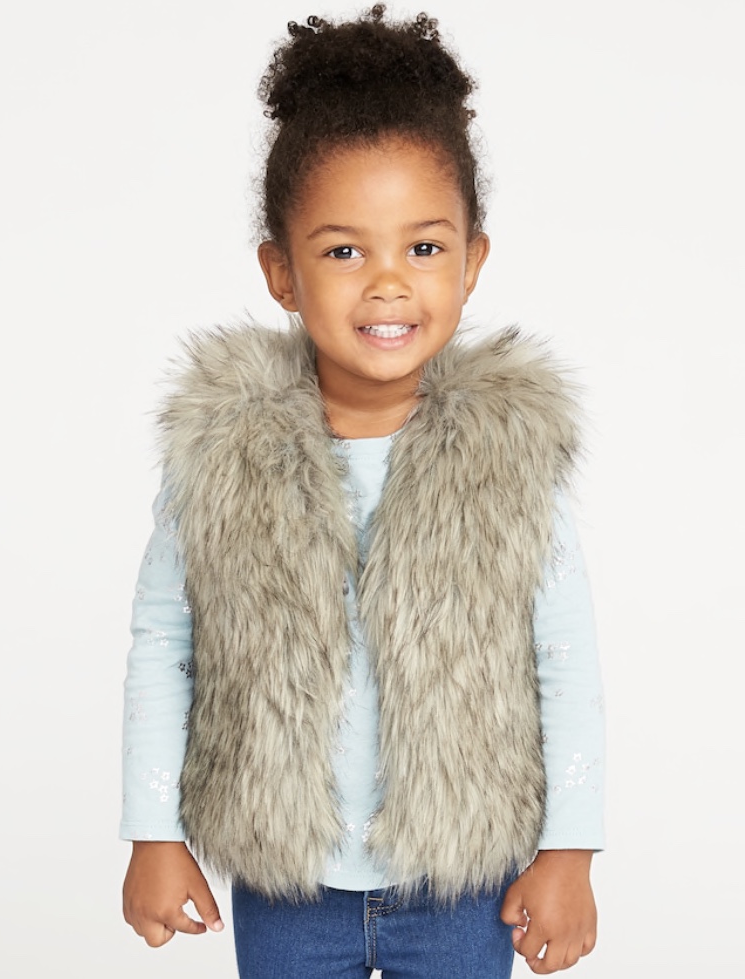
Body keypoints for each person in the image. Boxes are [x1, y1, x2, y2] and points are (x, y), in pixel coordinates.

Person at [121, 6, 605, 977]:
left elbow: (564, 657)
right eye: (344, 251)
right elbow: (164, 643)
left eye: (423, 248)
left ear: (471, 262)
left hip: (462, 877)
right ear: (282, 272)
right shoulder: (222, 459)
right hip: (289, 877)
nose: (387, 284)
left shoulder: (506, 461)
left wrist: (570, 850)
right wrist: (154, 833)